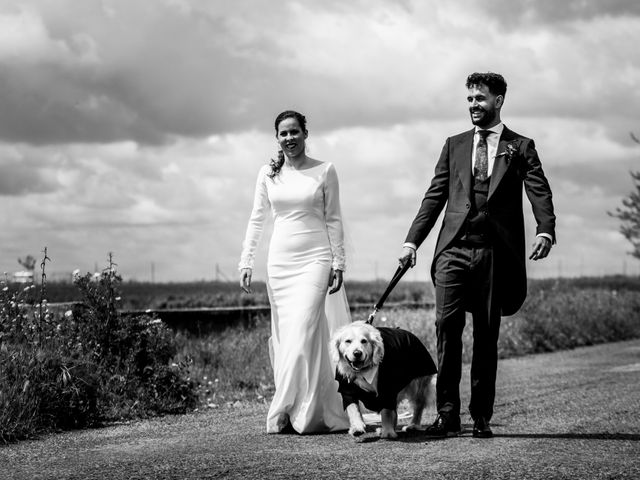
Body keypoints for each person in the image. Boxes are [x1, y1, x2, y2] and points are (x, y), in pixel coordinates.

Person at [399, 72, 556, 438]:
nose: (473, 105)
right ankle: (448, 414)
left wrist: (545, 228)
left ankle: (481, 415)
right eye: (469, 99)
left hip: (493, 254)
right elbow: (435, 196)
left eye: (480, 99)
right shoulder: (454, 144)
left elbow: (539, 190)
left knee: (487, 334)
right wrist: (412, 243)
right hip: (453, 249)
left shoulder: (521, 146)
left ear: (498, 100)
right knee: (446, 329)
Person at [239, 110, 351, 434]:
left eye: (294, 132)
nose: (289, 138)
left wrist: (338, 262)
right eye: (283, 133)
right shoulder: (268, 174)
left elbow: (334, 219)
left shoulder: (325, 171)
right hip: (280, 264)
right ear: (277, 138)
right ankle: (303, 409)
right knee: (288, 336)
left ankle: (283, 406)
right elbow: (257, 218)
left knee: (304, 329)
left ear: (305, 133)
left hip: (316, 258)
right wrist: (246, 261)